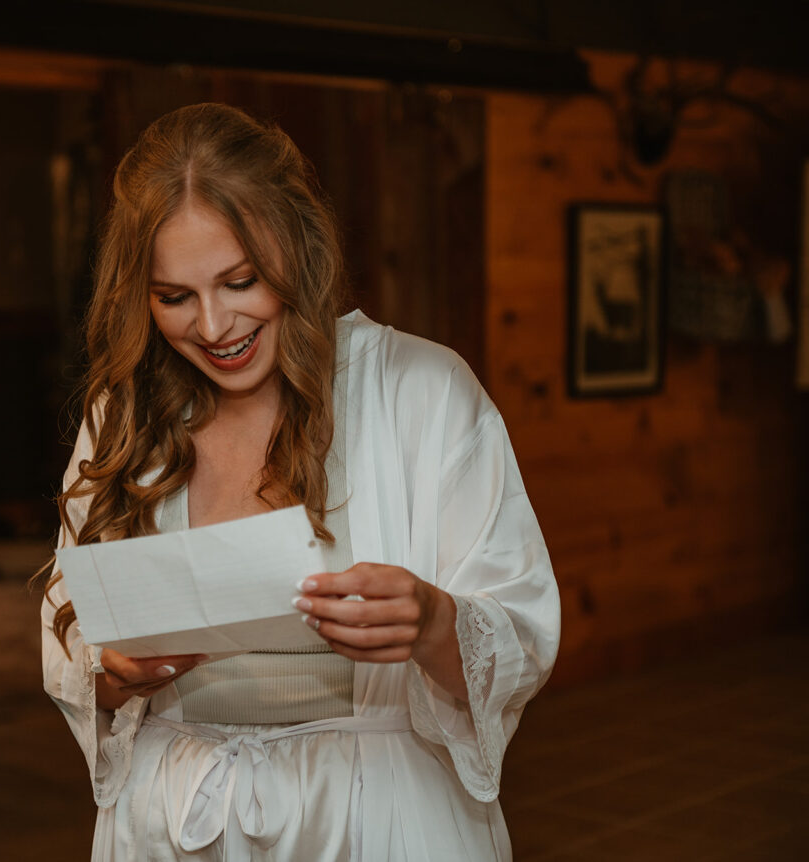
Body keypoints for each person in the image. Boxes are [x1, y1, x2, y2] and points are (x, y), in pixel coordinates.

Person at [38, 103, 560, 861]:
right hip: (173, 823)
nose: (214, 327)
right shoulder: (125, 414)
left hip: (369, 820)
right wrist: (110, 674)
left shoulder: (421, 391)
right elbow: (69, 619)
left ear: (297, 239)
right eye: (174, 296)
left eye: (240, 280)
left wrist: (435, 622)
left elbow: (522, 632)